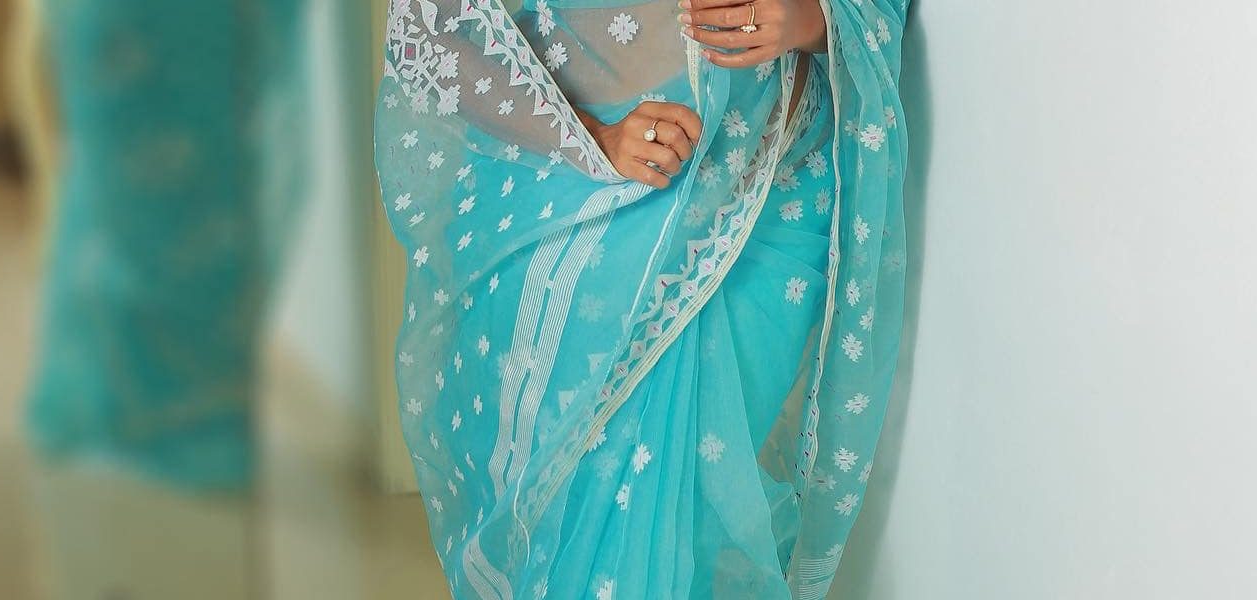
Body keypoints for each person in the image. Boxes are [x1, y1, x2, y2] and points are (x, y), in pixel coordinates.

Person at [374, 0, 908, 595]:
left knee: (701, 525)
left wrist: (807, 18)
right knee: (581, 533)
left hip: (765, 206)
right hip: (579, 205)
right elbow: (425, 27)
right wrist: (587, 136)